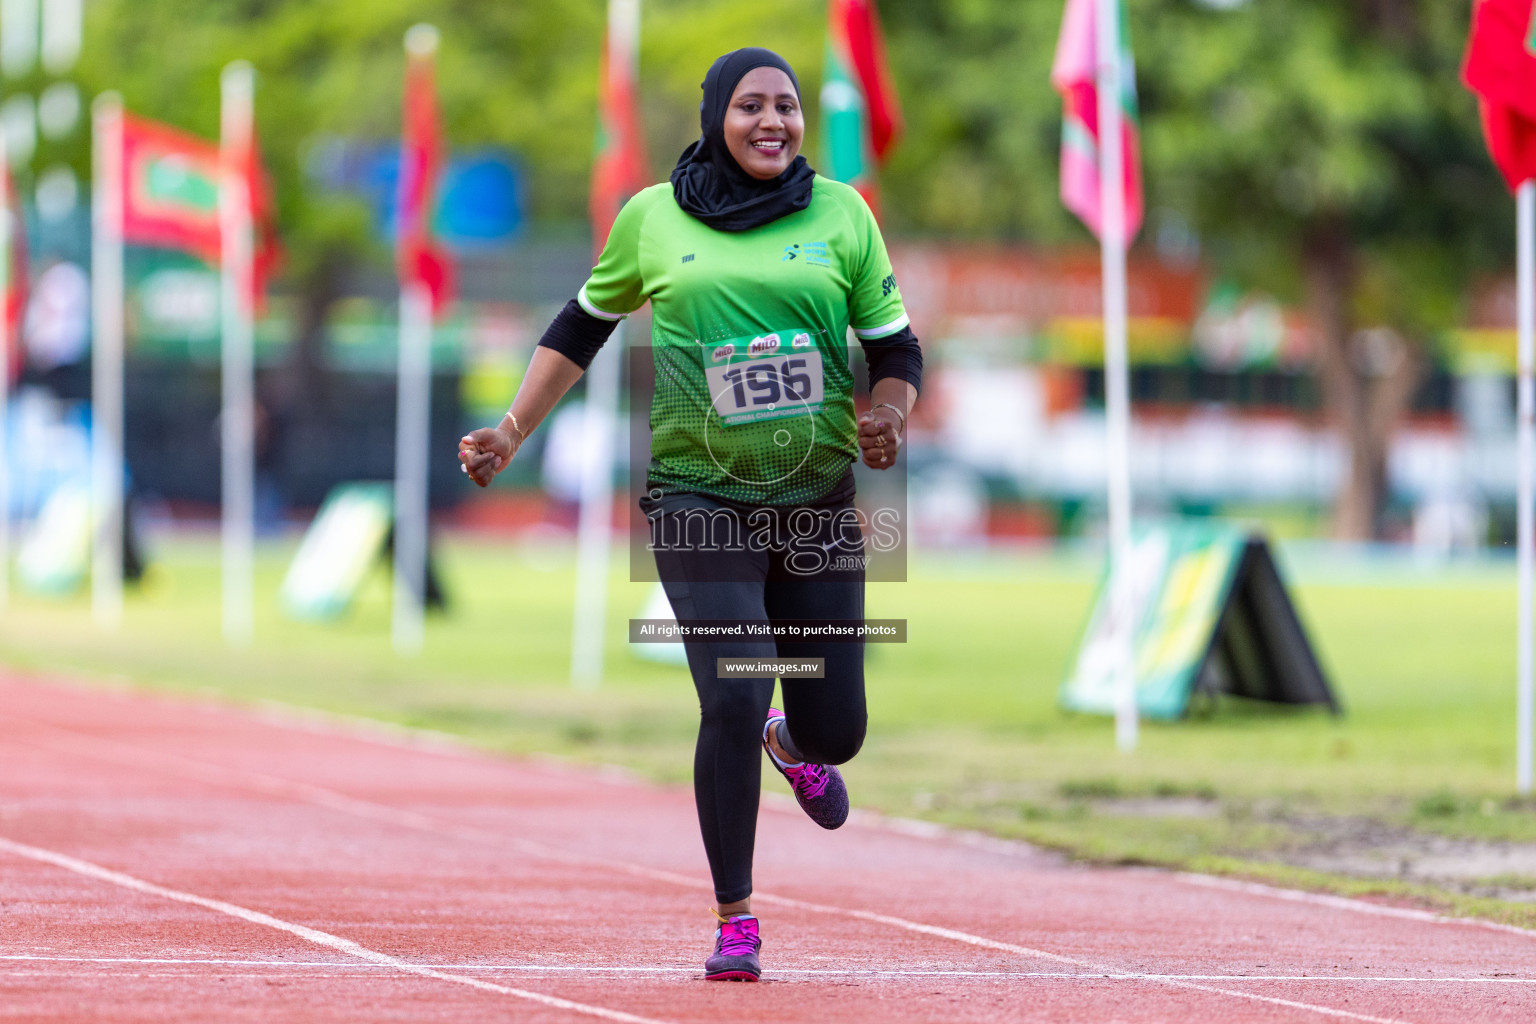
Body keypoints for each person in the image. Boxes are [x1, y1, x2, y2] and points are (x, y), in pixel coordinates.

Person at [458, 47, 921, 982]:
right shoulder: (653, 219)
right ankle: (736, 916)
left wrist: (889, 416)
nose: (771, 123)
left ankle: (796, 749)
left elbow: (897, 347)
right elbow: (579, 328)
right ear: (717, 114)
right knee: (739, 684)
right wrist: (512, 429)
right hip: (698, 500)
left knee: (839, 730)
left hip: (817, 504)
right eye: (750, 106)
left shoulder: (842, 215)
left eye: (785, 107)